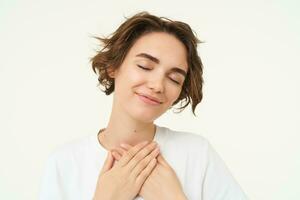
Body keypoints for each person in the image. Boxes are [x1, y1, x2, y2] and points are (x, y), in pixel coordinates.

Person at [39, 11, 248, 200]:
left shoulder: (197, 154)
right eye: (145, 66)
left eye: (174, 79)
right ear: (113, 66)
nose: (158, 85)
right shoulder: (65, 163)